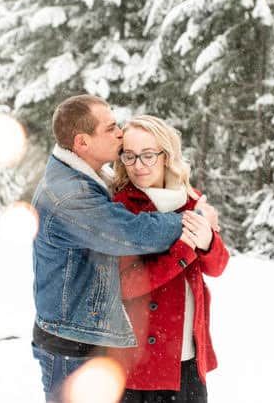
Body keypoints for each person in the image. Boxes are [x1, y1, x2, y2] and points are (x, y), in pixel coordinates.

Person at [30, 95, 217, 402]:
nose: (120, 132)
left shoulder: (84, 179)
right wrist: (193, 222)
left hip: (84, 338)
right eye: (111, 127)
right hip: (71, 346)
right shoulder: (70, 194)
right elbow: (130, 232)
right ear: (82, 142)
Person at [108, 115, 229, 403]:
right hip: (140, 365)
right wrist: (185, 248)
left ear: (167, 155)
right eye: (130, 156)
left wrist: (209, 242)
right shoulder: (120, 208)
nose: (139, 165)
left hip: (187, 358)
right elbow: (127, 284)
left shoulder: (190, 201)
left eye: (148, 155)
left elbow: (218, 266)